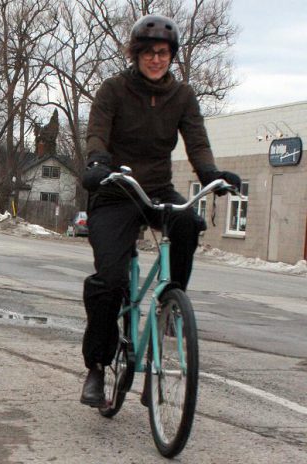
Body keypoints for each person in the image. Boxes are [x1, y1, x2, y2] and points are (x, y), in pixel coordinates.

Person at [79, 14, 241, 407]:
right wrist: (98, 162)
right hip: (116, 190)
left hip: (156, 189)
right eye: (149, 52)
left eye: (163, 53)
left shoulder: (182, 96)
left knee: (187, 221)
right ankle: (97, 368)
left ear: (172, 56)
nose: (156, 60)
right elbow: (98, 130)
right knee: (111, 279)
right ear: (136, 55)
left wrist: (211, 174)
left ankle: (171, 303)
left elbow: (197, 142)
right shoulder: (113, 90)